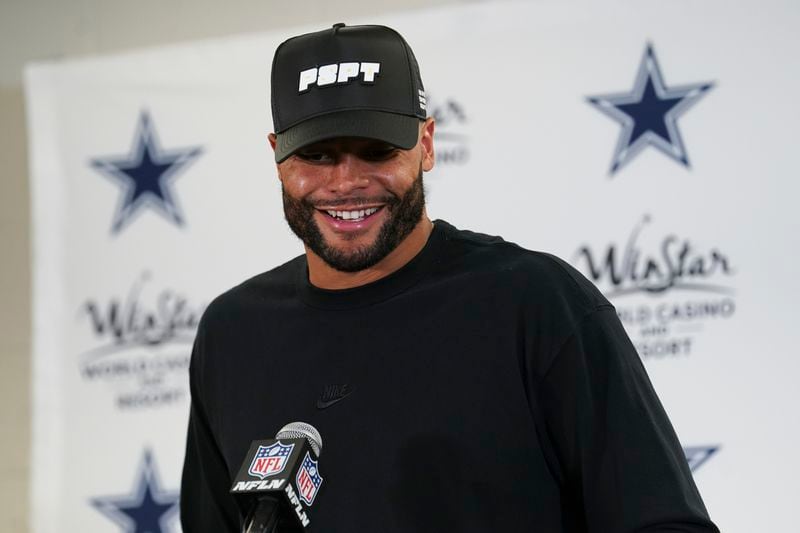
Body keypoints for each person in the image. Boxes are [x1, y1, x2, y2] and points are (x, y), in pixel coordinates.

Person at [180, 23, 720, 532]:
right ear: (277, 157)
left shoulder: (536, 303)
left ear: (428, 144)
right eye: (317, 155)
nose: (345, 182)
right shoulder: (231, 335)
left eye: (376, 151)